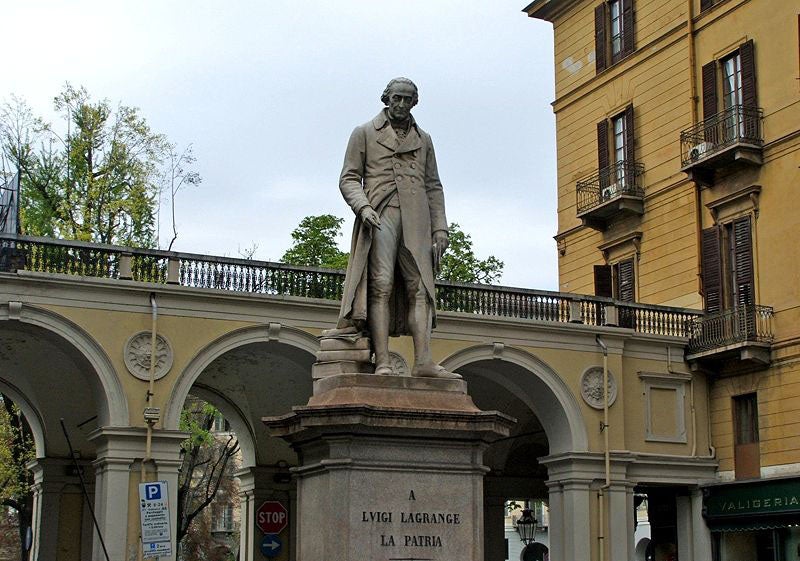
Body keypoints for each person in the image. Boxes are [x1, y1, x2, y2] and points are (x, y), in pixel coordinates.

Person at [333, 77, 458, 378]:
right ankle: (384, 361)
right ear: (385, 99)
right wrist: (362, 207)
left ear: (415, 102)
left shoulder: (424, 138)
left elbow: (433, 186)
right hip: (380, 212)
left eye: (407, 99)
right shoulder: (363, 132)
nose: (401, 104)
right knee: (382, 284)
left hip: (418, 219)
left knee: (421, 290)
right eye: (396, 98)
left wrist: (440, 227)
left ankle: (424, 361)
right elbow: (349, 178)